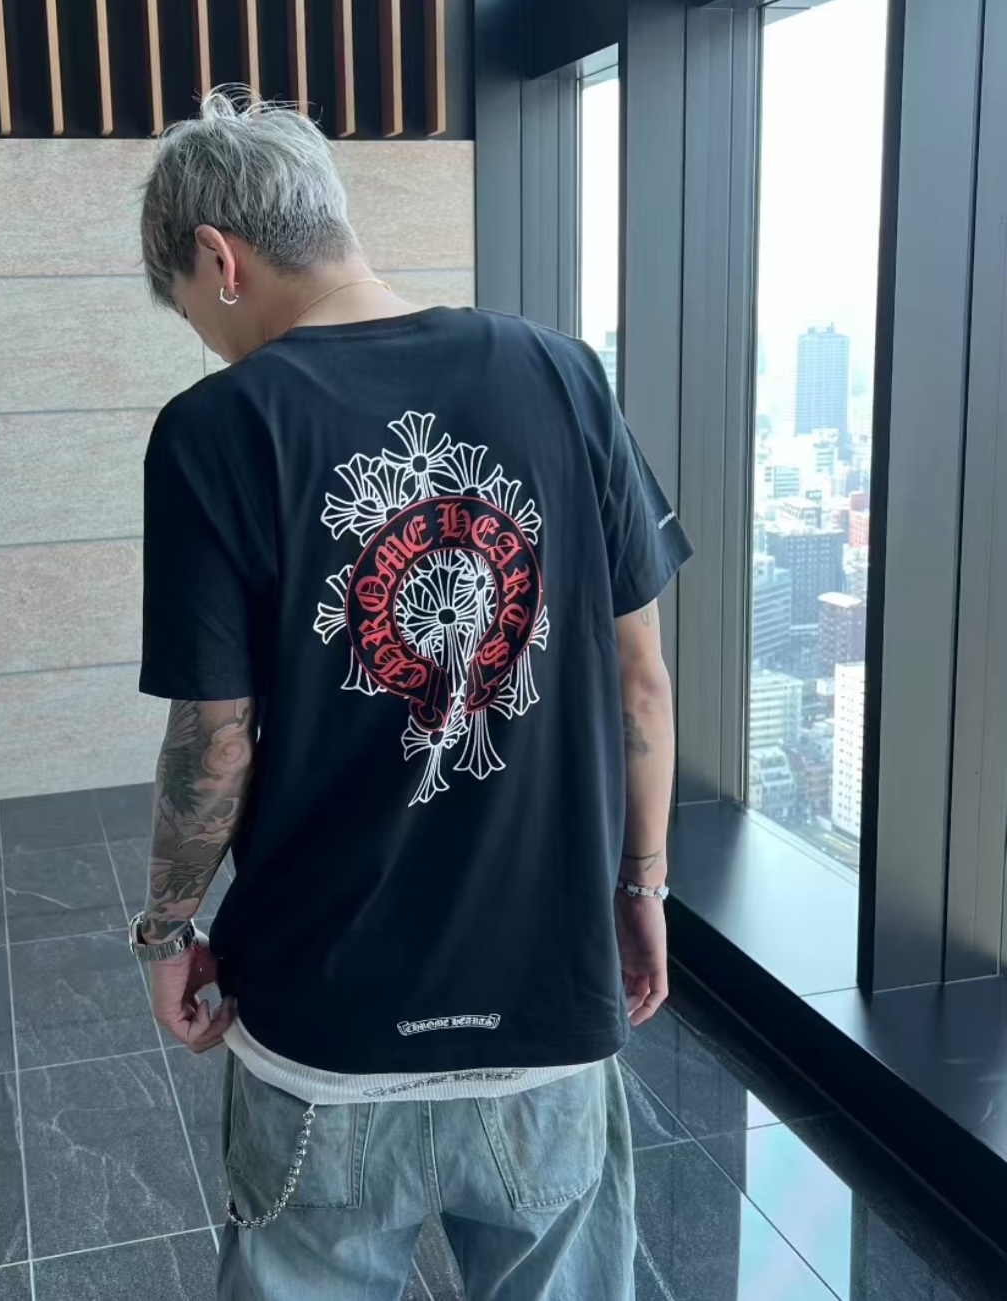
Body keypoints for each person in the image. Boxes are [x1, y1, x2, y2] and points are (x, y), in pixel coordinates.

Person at [130, 89, 691, 1301]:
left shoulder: (213, 429)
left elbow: (216, 742)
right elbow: (641, 679)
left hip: (325, 1034)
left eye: (192, 312)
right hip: (549, 1014)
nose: (210, 343)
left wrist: (168, 930)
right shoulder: (562, 373)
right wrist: (641, 884)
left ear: (220, 259)